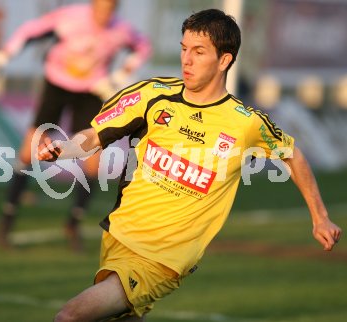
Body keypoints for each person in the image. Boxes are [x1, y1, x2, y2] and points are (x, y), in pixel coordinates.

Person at [37, 8, 342, 322]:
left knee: (69, 317)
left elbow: (292, 154)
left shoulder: (245, 124)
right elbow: (96, 134)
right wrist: (67, 148)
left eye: (199, 52)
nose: (187, 59)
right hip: (119, 236)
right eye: (184, 49)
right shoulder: (152, 95)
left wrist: (320, 217)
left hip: (163, 258)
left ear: (224, 60)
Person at [0, 0, 151, 250]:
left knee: (94, 161)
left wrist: (121, 75)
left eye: (109, 9)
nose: (103, 14)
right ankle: (6, 223)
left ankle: (73, 224)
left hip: (91, 91)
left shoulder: (121, 30)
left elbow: (143, 47)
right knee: (28, 151)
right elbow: (29, 31)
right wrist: (2, 56)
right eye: (100, 7)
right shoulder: (70, 18)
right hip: (57, 84)